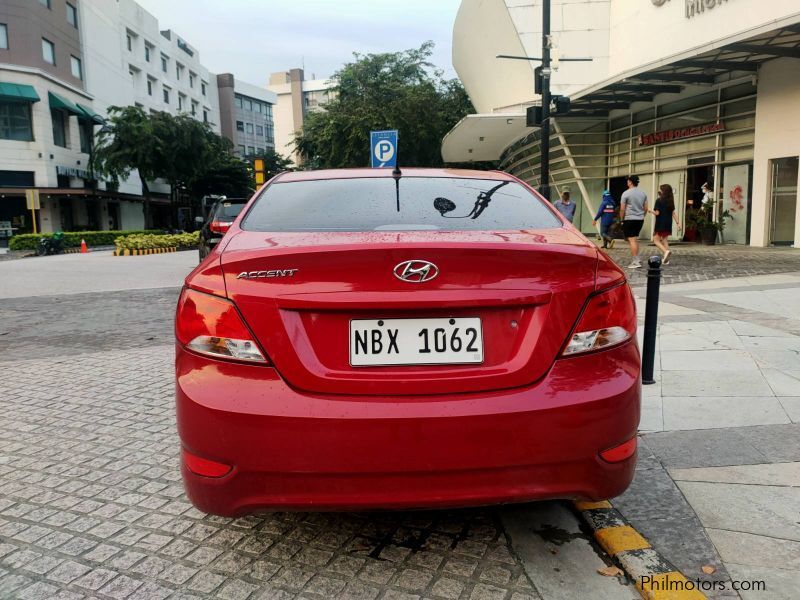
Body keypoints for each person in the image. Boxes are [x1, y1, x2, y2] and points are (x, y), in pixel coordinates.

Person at [620, 175, 648, 269]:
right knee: (634, 239)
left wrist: (621, 219)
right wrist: (641, 216)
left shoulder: (626, 193)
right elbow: (646, 208)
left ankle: (636, 262)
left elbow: (622, 209)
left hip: (630, 219)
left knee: (631, 240)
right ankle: (637, 258)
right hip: (640, 219)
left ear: (631, 182)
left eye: (628, 181)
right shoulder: (643, 193)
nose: (627, 182)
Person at [649, 184, 681, 265]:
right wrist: (678, 223)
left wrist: (649, 210)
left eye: (661, 190)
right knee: (664, 240)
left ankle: (666, 251)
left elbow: (657, 213)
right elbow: (673, 213)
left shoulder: (658, 200)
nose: (660, 191)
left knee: (656, 240)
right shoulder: (670, 201)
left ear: (663, 191)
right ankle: (666, 259)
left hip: (660, 223)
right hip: (668, 223)